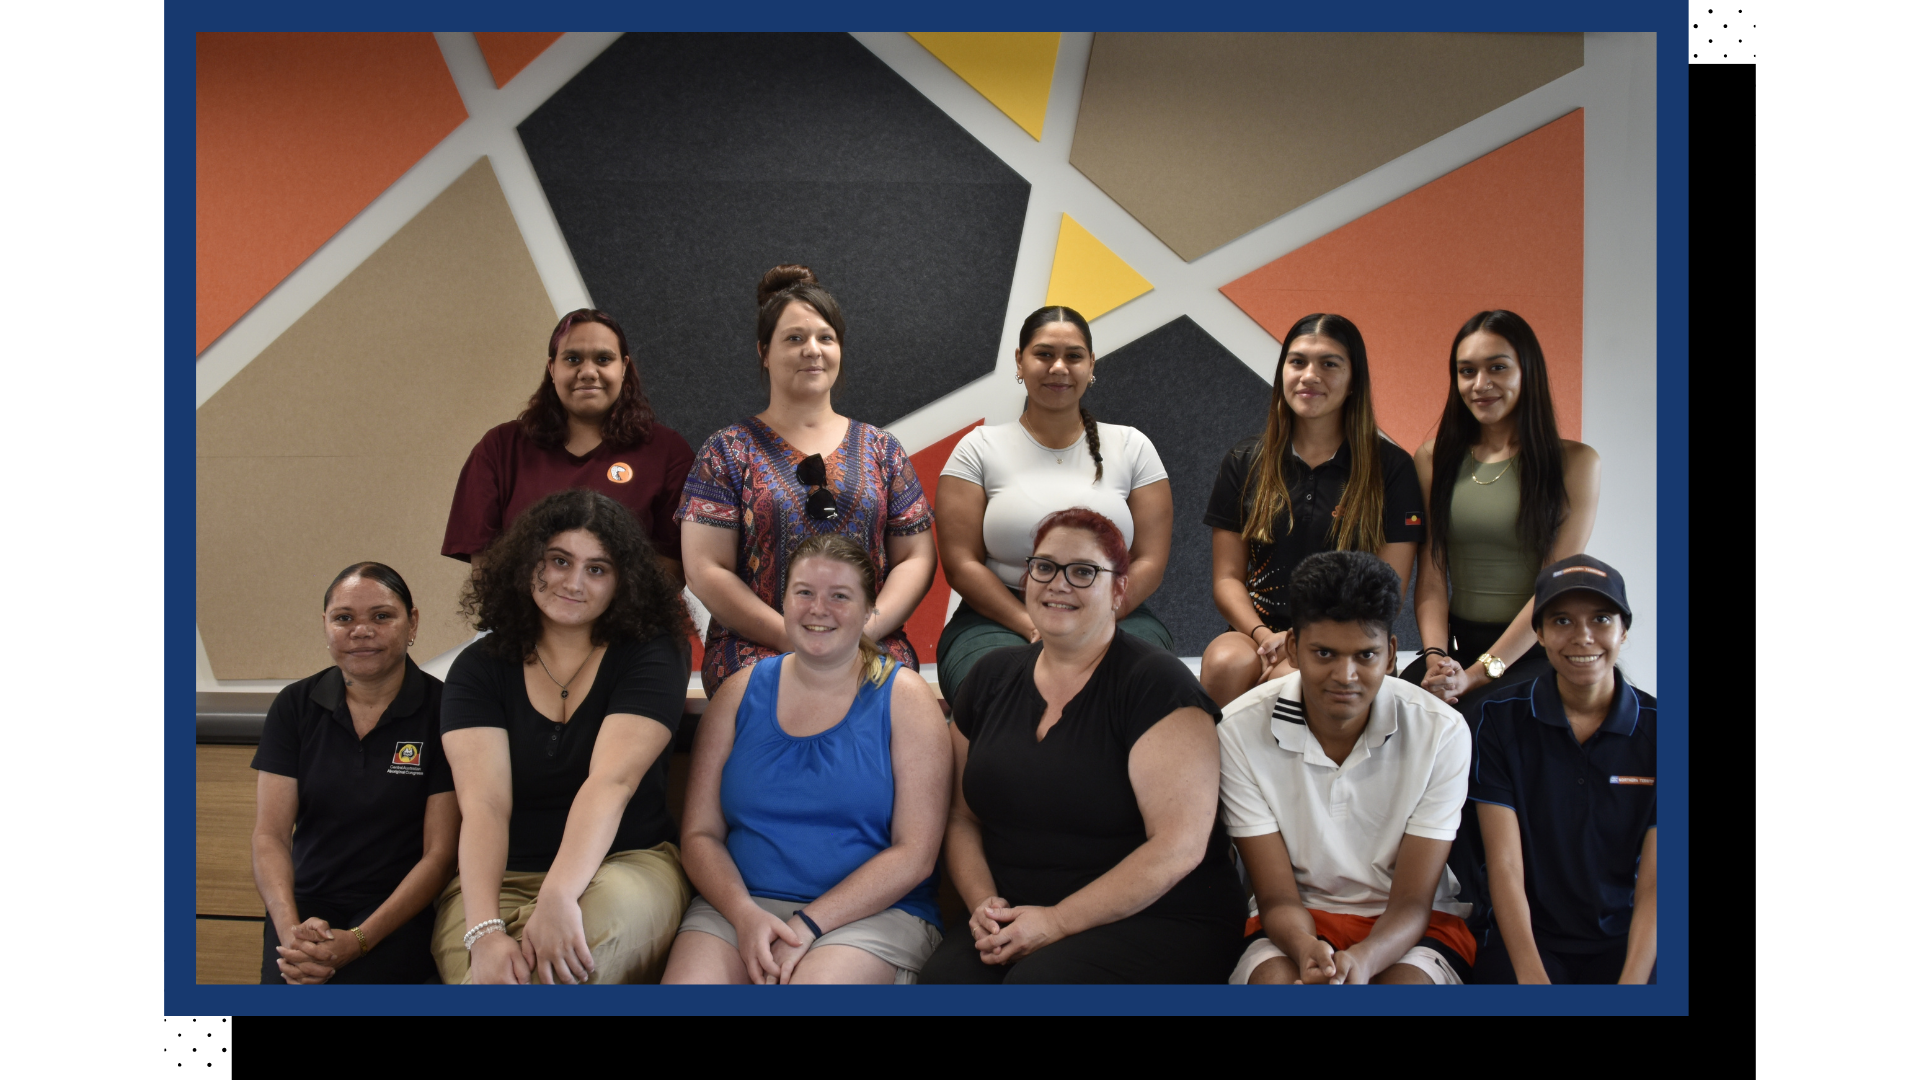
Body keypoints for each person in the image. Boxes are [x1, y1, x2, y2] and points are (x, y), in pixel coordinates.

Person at [920, 508, 1245, 984]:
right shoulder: (989, 678)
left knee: (1036, 989)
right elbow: (961, 817)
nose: (1058, 584)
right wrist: (984, 905)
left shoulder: (1158, 686)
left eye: (1083, 572)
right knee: (943, 989)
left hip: (1159, 917)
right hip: (1020, 913)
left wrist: (1056, 922)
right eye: (1045, 566)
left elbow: (1179, 848)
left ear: (1118, 589)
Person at [662, 535, 951, 985]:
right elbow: (700, 834)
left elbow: (914, 855)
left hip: (867, 917)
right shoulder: (738, 692)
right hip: (739, 908)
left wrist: (809, 923)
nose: (819, 609)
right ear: (784, 601)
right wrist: (743, 915)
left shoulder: (905, 697)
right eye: (804, 593)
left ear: (870, 609)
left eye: (840, 596)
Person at [434, 489, 693, 984]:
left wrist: (556, 897)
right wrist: (486, 932)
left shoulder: (653, 653)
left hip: (625, 866)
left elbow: (611, 783)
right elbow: (485, 806)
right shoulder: (478, 668)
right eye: (559, 561)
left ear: (623, 582)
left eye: (597, 569)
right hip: (497, 879)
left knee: (565, 970)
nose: (574, 582)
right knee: (488, 976)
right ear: (528, 563)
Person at [678, 265, 936, 697]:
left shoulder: (882, 449)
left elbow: (915, 556)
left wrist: (864, 630)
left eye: (825, 338)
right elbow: (706, 569)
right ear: (764, 351)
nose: (811, 350)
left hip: (869, 643)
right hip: (758, 648)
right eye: (794, 338)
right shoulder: (726, 451)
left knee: (898, 702)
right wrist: (792, 637)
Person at [1219, 550, 1474, 985]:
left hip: (1410, 924)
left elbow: (1412, 902)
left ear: (1390, 654)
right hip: (1293, 922)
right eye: (1324, 653)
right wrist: (1306, 949)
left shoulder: (1442, 731)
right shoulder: (1240, 729)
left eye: (1365, 656)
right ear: (1294, 649)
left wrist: (1366, 960)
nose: (1346, 675)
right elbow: (1276, 898)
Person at [936, 306, 1175, 696]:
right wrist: (1031, 624)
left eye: (1074, 356)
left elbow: (1150, 560)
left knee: (1142, 687)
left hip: (1114, 612)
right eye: (1044, 354)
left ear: (1091, 364)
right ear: (1020, 360)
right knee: (1002, 693)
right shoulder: (977, 449)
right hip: (1001, 617)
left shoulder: (1133, 446)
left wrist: (1097, 618)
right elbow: (961, 564)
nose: (1059, 367)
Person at [1200, 313, 1424, 708]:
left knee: (1295, 676)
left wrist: (1307, 648)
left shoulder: (1392, 468)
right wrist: (1265, 637)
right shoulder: (1244, 460)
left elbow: (1391, 589)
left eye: (1329, 364)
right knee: (1223, 662)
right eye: (1297, 361)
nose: (1309, 375)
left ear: (1354, 380)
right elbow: (1227, 579)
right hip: (1259, 631)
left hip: (1349, 637)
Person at [251, 562, 459, 984]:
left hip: (400, 912)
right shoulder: (295, 705)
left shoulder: (446, 709)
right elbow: (269, 836)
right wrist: (290, 929)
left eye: (381, 616)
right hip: (303, 904)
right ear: (325, 625)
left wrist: (359, 940)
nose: (361, 631)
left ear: (412, 622)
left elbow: (439, 855)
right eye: (343, 618)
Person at [1469, 554, 1656, 984]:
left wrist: (1633, 983)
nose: (1583, 637)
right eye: (1562, 621)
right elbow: (1505, 866)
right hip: (1528, 941)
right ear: (1539, 633)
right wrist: (1534, 980)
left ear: (1623, 631)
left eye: (1602, 620)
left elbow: (1657, 883)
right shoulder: (1497, 720)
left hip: (1627, 940)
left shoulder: (1661, 729)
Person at [1403, 310, 1600, 717]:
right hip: (1457, 651)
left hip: (1537, 652)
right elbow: (1433, 575)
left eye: (1497, 368)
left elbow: (1552, 587)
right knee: (1402, 711)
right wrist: (1436, 659)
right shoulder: (1433, 457)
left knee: (1482, 717)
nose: (1480, 385)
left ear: (1527, 372)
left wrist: (1478, 674)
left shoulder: (1577, 463)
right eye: (1466, 371)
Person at [443, 308, 693, 583]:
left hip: (630, 624)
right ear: (552, 368)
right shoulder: (500, 448)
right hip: (521, 622)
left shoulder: (668, 452)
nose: (588, 372)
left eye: (603, 359)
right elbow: (485, 569)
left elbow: (673, 568)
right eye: (572, 359)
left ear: (624, 367)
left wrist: (596, 611)